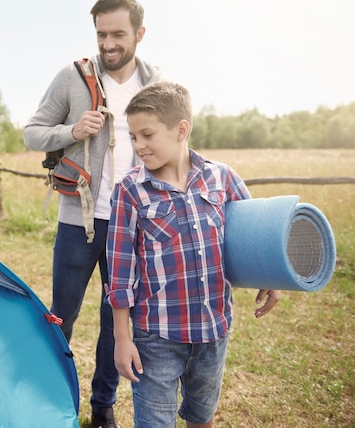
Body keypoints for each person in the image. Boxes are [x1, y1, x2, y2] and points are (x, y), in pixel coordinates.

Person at [106, 81, 280, 428]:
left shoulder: (222, 178)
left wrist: (269, 277)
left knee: (202, 417)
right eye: (133, 137)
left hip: (214, 331)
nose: (138, 145)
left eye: (147, 135)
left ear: (181, 129)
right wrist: (122, 338)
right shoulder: (130, 191)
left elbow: (254, 238)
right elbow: (120, 272)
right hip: (157, 337)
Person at [24, 1, 162, 426]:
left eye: (117, 35)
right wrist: (72, 130)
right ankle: (50, 400)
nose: (107, 44)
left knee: (115, 321)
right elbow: (32, 132)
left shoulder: (157, 86)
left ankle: (104, 407)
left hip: (132, 227)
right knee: (61, 315)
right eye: (101, 34)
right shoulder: (73, 77)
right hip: (78, 223)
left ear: (139, 34)